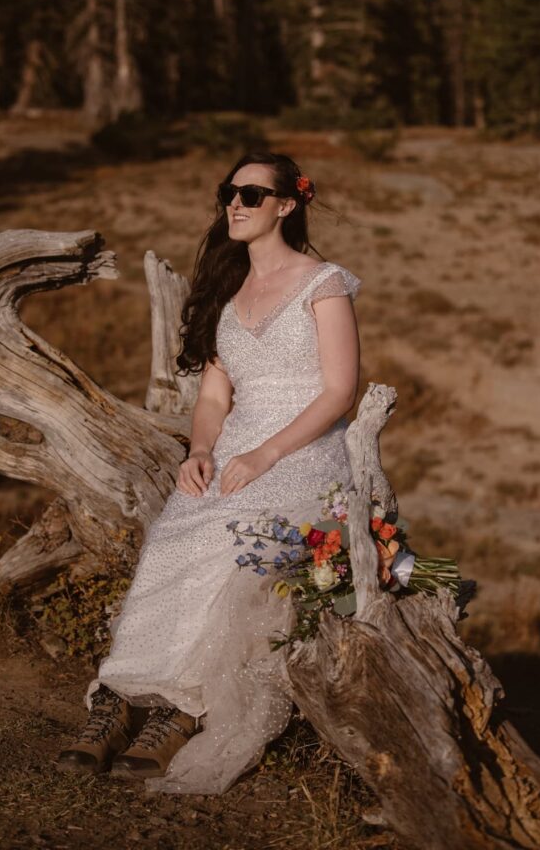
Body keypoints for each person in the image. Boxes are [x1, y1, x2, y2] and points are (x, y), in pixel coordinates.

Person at [56, 151, 361, 795]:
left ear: (287, 204)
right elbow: (215, 399)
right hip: (234, 447)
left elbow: (339, 391)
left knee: (235, 543)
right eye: (230, 191)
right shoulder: (228, 291)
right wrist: (199, 451)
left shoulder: (323, 282)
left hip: (302, 451)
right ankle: (121, 697)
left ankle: (178, 709)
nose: (236, 203)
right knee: (174, 539)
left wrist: (266, 456)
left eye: (253, 193)